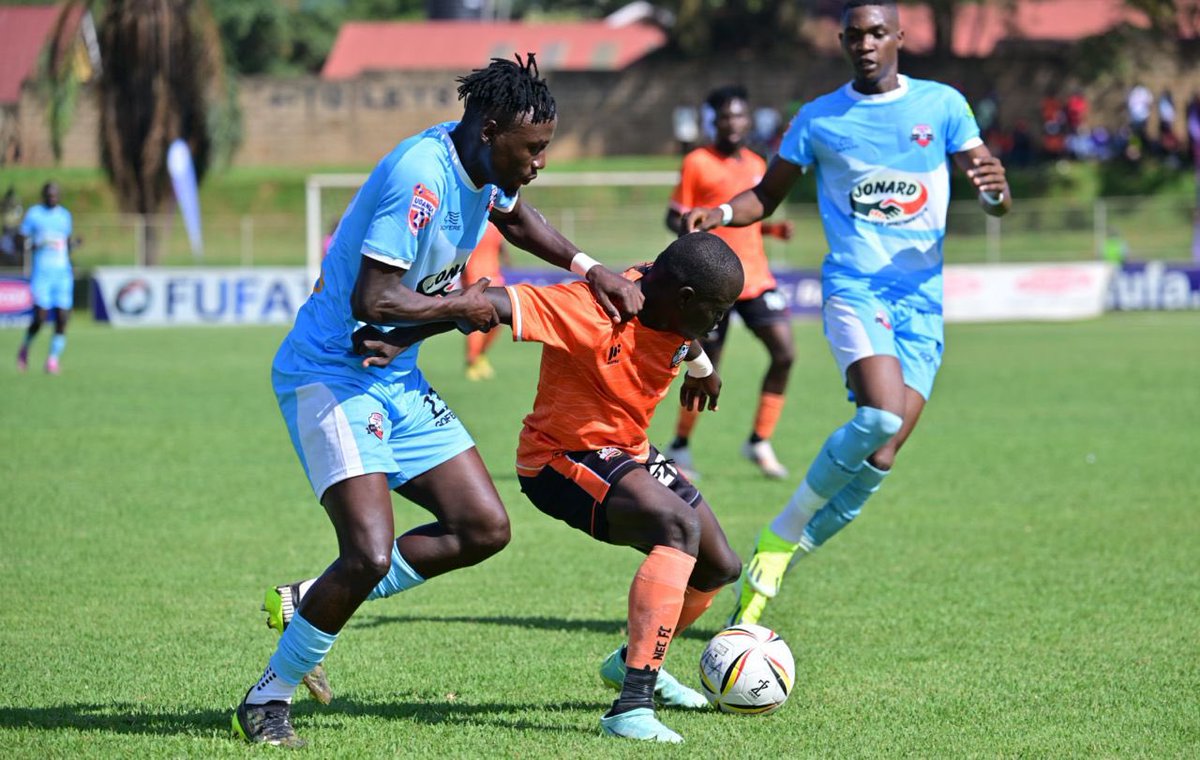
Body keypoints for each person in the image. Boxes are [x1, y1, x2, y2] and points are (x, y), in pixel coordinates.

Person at [231, 54, 643, 748]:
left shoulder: (483, 168)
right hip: (334, 372)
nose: (540, 162)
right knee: (367, 551)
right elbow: (373, 301)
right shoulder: (420, 176)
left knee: (482, 526)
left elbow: (514, 219)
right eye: (532, 149)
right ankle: (268, 696)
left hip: (395, 372)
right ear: (488, 129)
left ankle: (308, 605)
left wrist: (587, 267)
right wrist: (465, 306)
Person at [680, 0, 1011, 627]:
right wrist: (721, 214)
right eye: (855, 35)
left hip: (923, 302)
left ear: (899, 38)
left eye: (878, 33)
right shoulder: (819, 119)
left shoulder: (942, 105)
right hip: (855, 288)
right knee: (880, 413)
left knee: (879, 461)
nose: (866, 43)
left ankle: (773, 565)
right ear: (841, 41)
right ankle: (781, 531)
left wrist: (994, 197)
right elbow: (765, 195)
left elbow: (987, 186)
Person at [355, 232, 746, 743]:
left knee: (720, 566)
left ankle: (631, 658)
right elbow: (490, 305)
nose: (719, 323)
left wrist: (702, 368)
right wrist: (402, 336)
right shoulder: (592, 309)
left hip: (627, 450)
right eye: (717, 311)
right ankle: (631, 706)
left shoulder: (672, 299)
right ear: (687, 300)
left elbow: (684, 330)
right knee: (678, 526)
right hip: (560, 459)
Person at [663, 85, 797, 480]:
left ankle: (759, 440)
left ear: (748, 119)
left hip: (756, 277)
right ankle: (680, 447)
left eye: (739, 115)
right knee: (706, 367)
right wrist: (690, 232)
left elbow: (746, 218)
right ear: (713, 122)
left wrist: (771, 231)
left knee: (785, 353)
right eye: (725, 116)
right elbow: (674, 217)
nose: (733, 123)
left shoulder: (758, 162)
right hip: (714, 282)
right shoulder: (697, 162)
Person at [15, 182, 77, 374]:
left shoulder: (65, 216)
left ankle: (52, 360)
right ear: (44, 196)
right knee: (40, 317)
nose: (52, 198)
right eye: (49, 195)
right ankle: (25, 346)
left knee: (62, 318)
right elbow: (20, 241)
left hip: (62, 275)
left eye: (55, 195)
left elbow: (66, 245)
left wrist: (74, 245)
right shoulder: (34, 214)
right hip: (42, 273)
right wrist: (34, 244)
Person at [462, 221, 511, 380]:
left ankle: (480, 355)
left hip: (495, 277)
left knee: (497, 323)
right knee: (476, 322)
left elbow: (501, 245)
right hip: (474, 279)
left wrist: (507, 261)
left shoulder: (495, 225)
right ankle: (472, 361)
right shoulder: (471, 223)